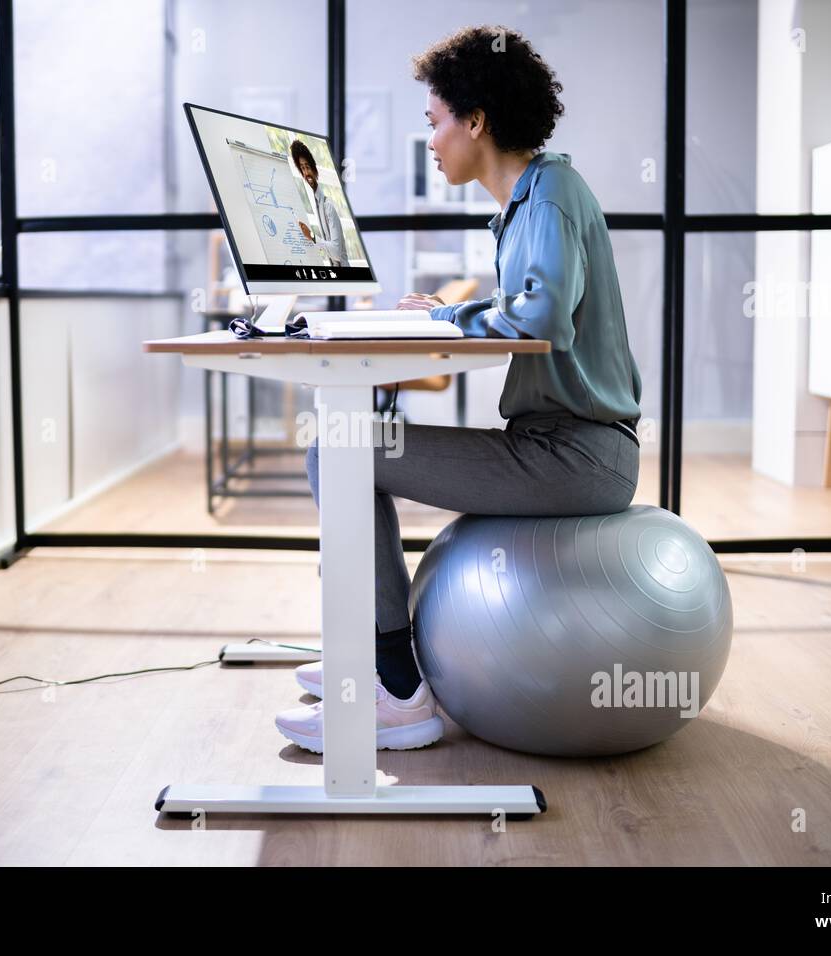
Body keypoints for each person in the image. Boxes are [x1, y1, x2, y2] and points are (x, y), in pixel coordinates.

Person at [276, 25, 644, 754]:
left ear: (476, 120)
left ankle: (396, 687)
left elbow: (540, 319)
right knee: (343, 442)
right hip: (563, 447)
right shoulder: (533, 198)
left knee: (341, 447)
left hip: (579, 457)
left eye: (435, 122)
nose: (433, 141)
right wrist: (445, 317)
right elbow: (531, 314)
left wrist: (445, 315)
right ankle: (375, 663)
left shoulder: (548, 196)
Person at [289, 139, 349, 267]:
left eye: (307, 167)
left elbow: (336, 253)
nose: (306, 173)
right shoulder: (317, 205)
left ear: (315, 169)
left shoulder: (327, 206)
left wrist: (310, 235)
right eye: (302, 169)